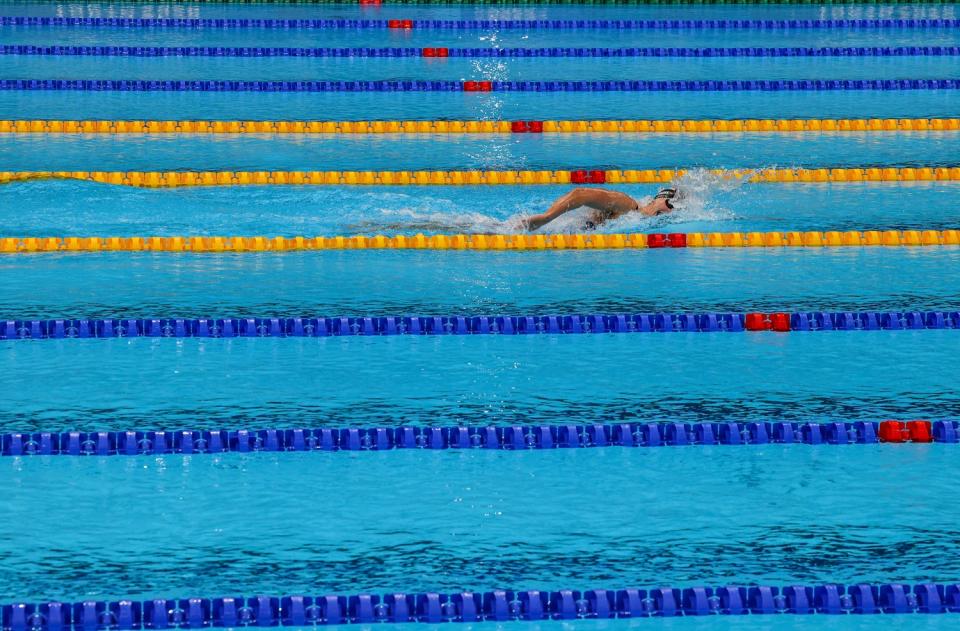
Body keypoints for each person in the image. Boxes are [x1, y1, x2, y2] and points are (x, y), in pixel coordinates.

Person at [522, 187, 681, 232]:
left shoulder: (636, 215)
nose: (670, 208)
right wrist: (546, 218)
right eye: (669, 203)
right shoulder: (629, 205)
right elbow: (580, 194)